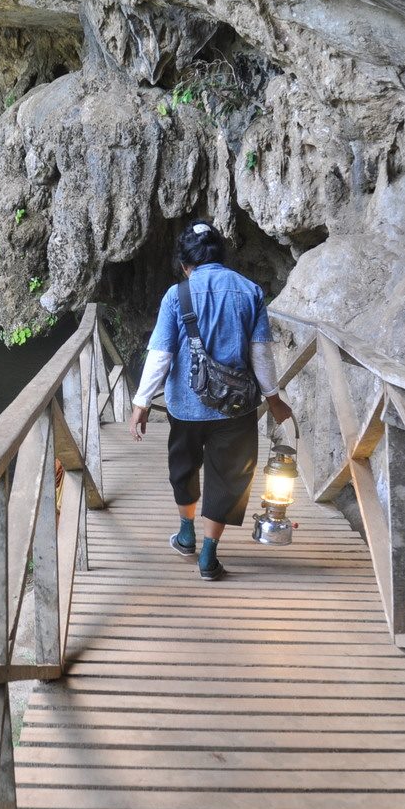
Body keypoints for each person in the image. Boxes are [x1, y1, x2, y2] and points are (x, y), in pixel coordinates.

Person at [128, 222, 293, 581]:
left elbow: (161, 354)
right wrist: (274, 398)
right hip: (236, 408)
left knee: (184, 467)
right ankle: (207, 556)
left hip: (185, 407)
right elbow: (260, 353)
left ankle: (185, 533)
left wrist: (141, 402)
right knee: (229, 476)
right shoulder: (250, 291)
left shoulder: (177, 295)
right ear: (221, 255)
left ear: (186, 263)